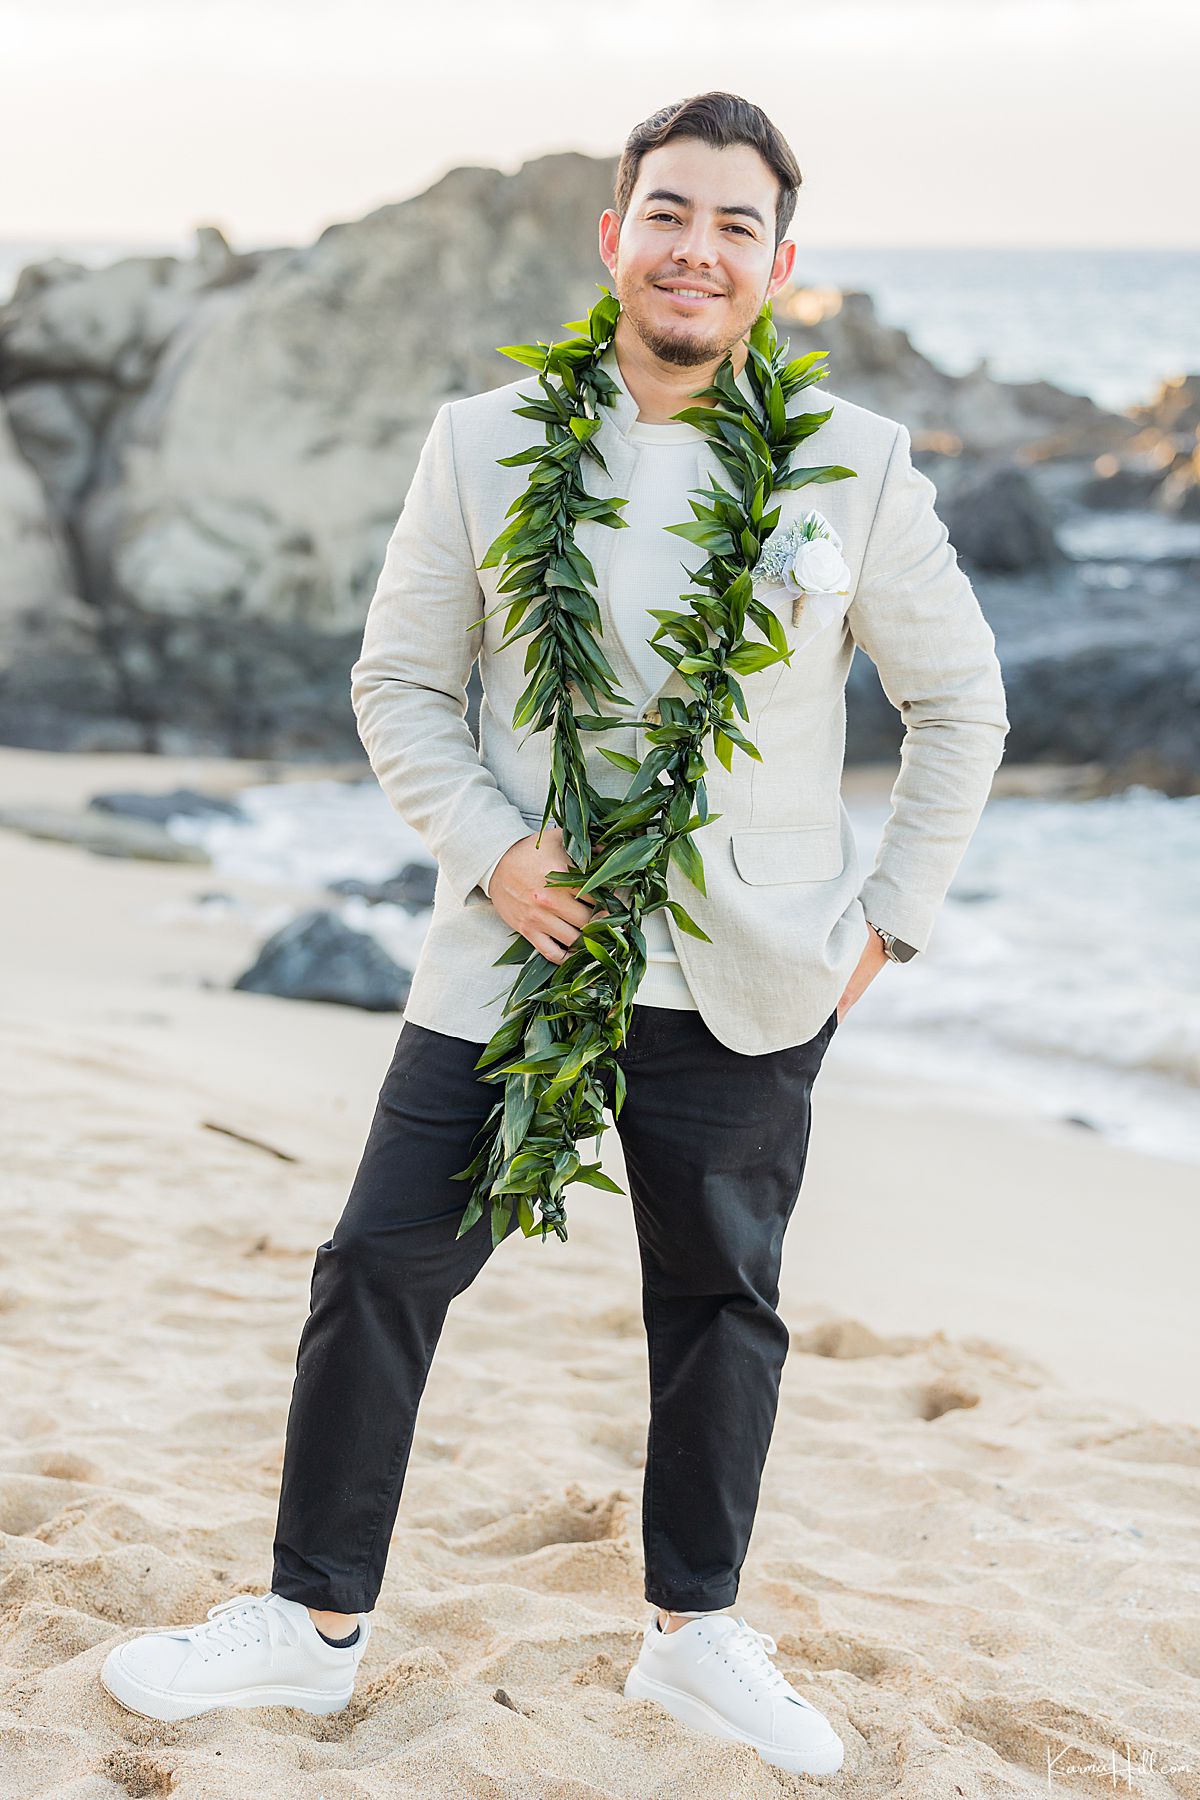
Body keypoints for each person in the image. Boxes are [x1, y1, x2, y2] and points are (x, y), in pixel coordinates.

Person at [99, 92, 1008, 1780]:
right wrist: (495, 850)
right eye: (670, 212)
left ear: (780, 268)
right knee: (378, 1263)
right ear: (615, 237)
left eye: (737, 225)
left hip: (747, 965)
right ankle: (306, 1631)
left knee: (719, 1305)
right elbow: (398, 686)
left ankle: (695, 1638)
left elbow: (961, 706)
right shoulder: (482, 440)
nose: (698, 248)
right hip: (510, 954)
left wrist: (891, 919)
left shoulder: (857, 465)